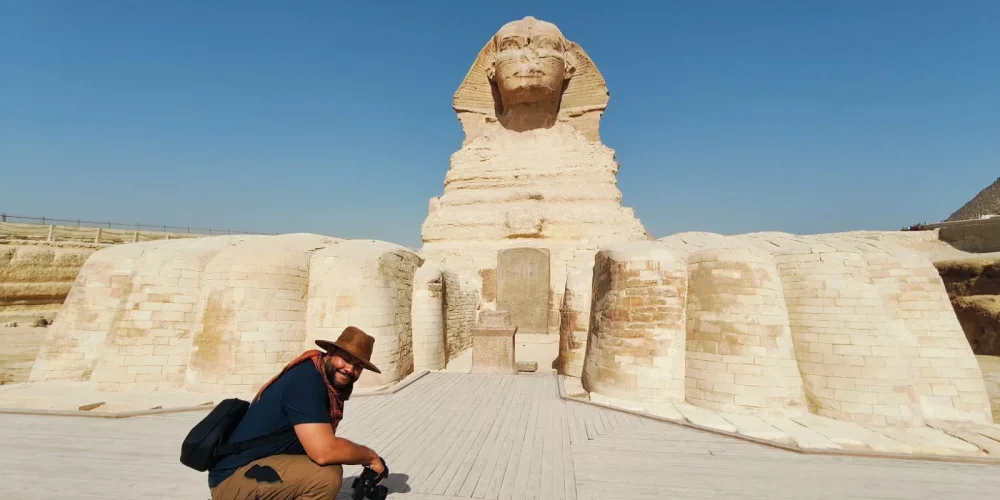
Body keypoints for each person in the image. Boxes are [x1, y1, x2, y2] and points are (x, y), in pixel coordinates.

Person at [208, 326, 386, 499]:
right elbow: (324, 451)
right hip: (232, 480)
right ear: (331, 351)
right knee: (325, 477)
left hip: (252, 469)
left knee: (326, 469)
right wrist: (370, 456)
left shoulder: (316, 373)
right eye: (346, 359)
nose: (350, 369)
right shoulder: (307, 382)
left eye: (358, 366)